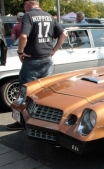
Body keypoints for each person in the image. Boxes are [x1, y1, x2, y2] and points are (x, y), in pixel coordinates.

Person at [6, 0, 67, 130]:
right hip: (47, 59)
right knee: (43, 92)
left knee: (25, 93)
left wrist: (20, 52)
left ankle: (20, 122)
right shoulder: (49, 16)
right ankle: (42, 122)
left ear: (27, 3)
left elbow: (23, 37)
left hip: (32, 60)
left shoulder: (28, 16)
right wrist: (54, 50)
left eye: (24, 5)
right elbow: (63, 34)